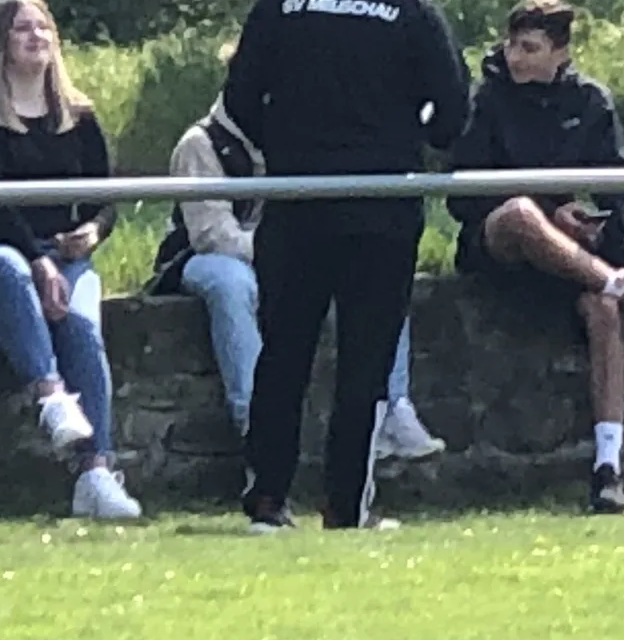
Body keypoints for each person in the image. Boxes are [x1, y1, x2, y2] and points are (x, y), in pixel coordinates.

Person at [223, 0, 470, 532]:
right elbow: (453, 110)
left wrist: (285, 147)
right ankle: (345, 506)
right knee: (365, 362)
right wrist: (407, 138)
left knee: (283, 353)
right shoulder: (411, 6)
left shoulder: (281, 1)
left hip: (295, 199)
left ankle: (267, 499)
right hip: (380, 205)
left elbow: (240, 98)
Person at [449, 0, 624, 516]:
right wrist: (548, 213)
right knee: (520, 213)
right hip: (499, 247)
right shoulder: (486, 100)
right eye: (513, 45)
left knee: (603, 311)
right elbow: (463, 198)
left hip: (572, 257)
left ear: (560, 52)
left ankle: (608, 468)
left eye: (530, 48)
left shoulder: (591, 102)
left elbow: (618, 191)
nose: (516, 57)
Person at [0, 0, 141, 520]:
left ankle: (96, 472)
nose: (36, 37)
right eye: (22, 28)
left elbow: (105, 198)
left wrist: (92, 232)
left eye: (43, 27)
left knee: (82, 328)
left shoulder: (79, 116)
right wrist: (37, 260)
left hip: (59, 254)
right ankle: (51, 396)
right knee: (7, 267)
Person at [148, 84, 443, 457]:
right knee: (231, 283)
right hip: (201, 257)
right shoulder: (200, 143)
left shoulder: (303, 138)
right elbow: (213, 235)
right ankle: (256, 421)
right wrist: (286, 253)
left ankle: (391, 409)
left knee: (375, 272)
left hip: (284, 252)